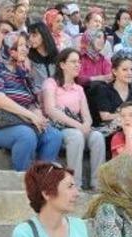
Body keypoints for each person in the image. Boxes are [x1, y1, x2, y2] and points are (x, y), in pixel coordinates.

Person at [0, 33, 63, 171]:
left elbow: (31, 102)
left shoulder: (23, 74)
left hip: (19, 121)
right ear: (10, 48)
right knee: (26, 135)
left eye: (26, 46)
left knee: (53, 135)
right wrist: (31, 116)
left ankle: (42, 178)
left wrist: (37, 113)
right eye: (20, 45)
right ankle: (24, 180)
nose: (25, 49)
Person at [43, 48, 106, 189]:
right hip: (58, 127)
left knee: (97, 136)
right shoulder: (51, 83)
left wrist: (86, 125)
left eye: (79, 62)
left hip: (78, 126)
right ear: (62, 65)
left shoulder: (79, 89)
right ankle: (75, 184)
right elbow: (50, 110)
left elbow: (87, 115)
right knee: (76, 136)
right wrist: (78, 126)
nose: (78, 65)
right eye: (73, 62)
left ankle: (98, 183)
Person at [90, 56, 132, 130]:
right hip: (110, 131)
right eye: (124, 70)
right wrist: (131, 115)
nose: (129, 73)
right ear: (114, 71)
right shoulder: (104, 90)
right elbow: (105, 116)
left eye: (131, 70)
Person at [26, 22, 60, 95]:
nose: (30, 39)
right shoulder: (28, 57)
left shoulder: (56, 55)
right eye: (29, 36)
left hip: (57, 94)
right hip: (38, 96)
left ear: (44, 35)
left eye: (34, 36)